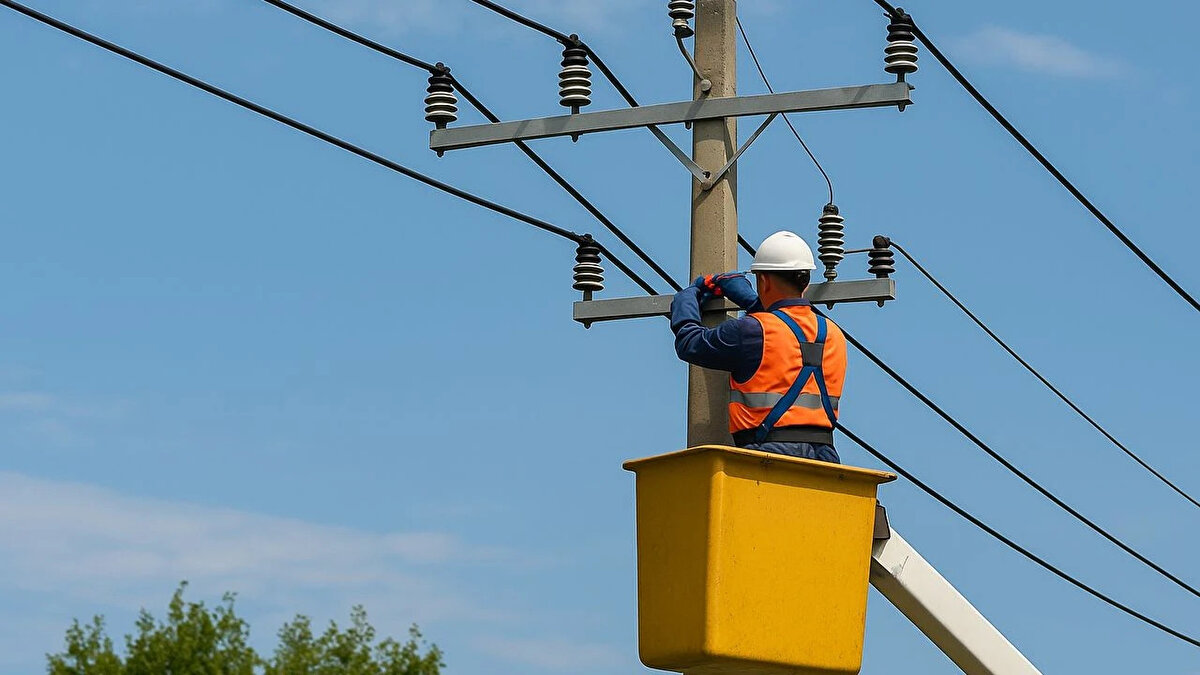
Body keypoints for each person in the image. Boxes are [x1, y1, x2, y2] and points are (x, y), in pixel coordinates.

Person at [669, 231, 847, 463]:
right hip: (824, 458)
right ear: (806, 280)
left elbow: (690, 343)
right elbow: (787, 335)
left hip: (768, 454)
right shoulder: (834, 334)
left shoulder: (752, 330)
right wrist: (754, 302)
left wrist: (685, 301)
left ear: (763, 280)